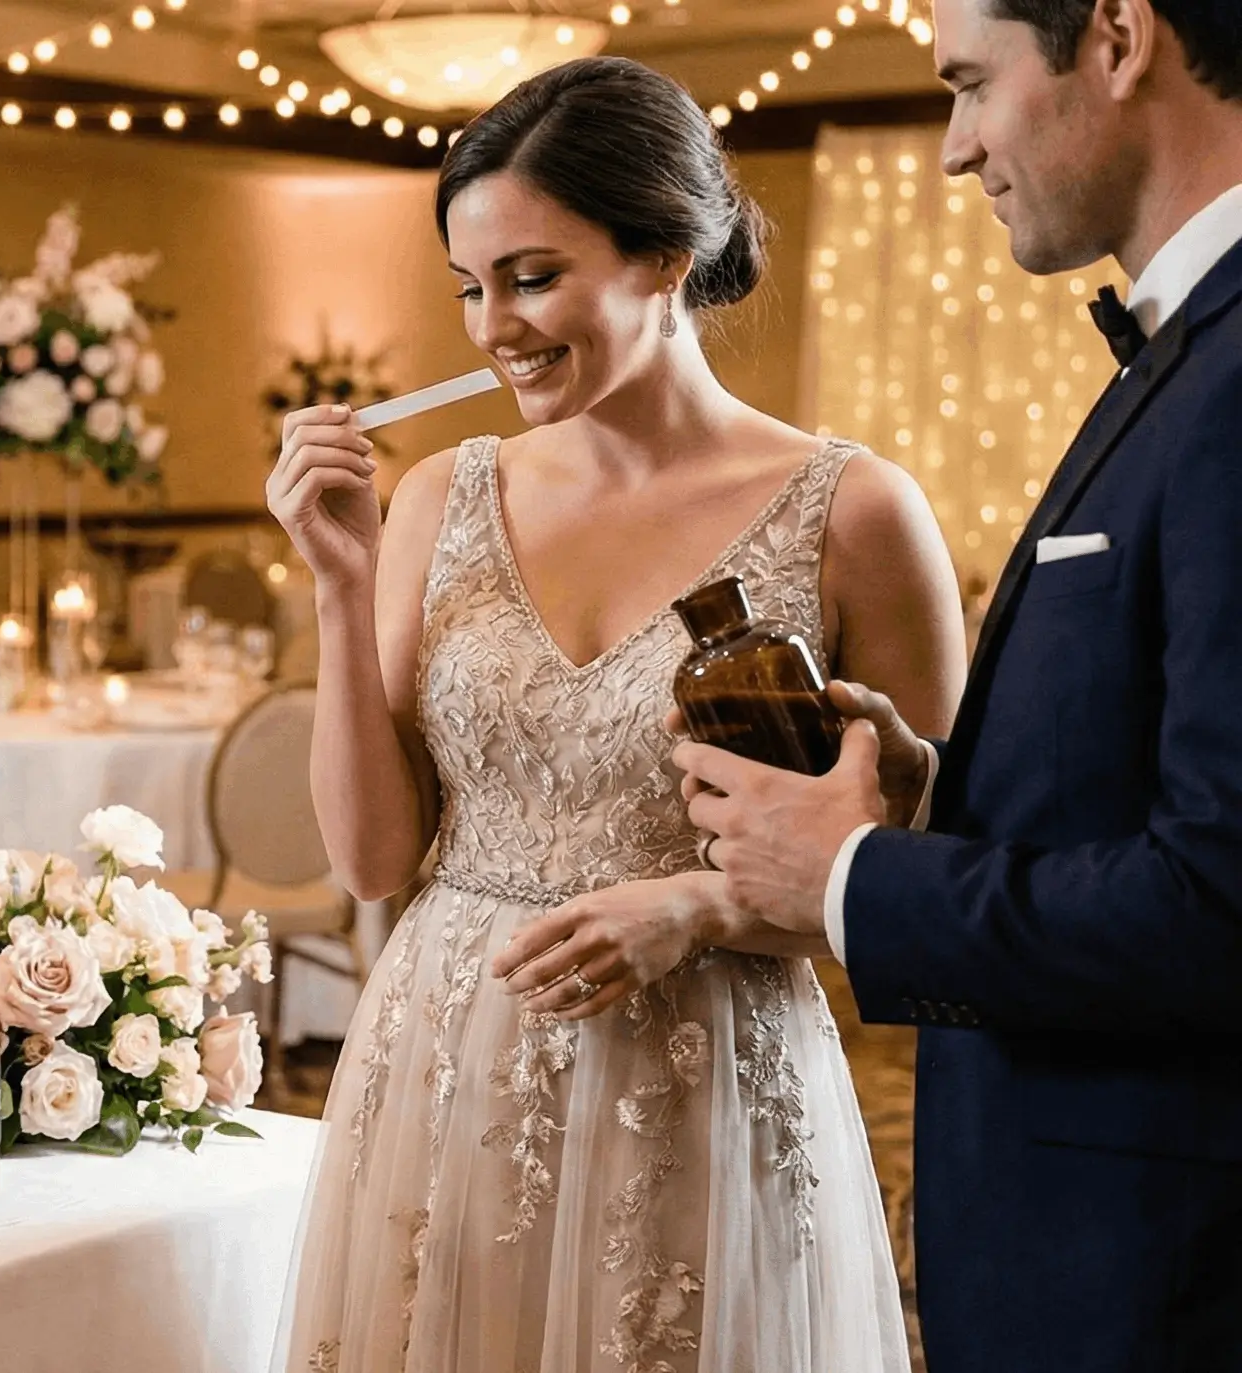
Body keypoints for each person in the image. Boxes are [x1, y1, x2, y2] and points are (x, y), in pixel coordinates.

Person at [268, 56, 964, 1370]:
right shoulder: (437, 497)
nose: (492, 327)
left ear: (666, 254)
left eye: (532, 276)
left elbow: (931, 868)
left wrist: (701, 910)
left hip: (702, 1074)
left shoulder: (857, 514)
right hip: (445, 1051)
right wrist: (339, 583)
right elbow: (367, 860)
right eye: (471, 289)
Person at [652, 1, 1242, 1367]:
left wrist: (853, 878)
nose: (951, 149)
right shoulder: (1185, 352)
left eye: (971, 86)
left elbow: (1221, 897)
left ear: (1117, 35)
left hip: (1164, 1273)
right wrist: (934, 800)